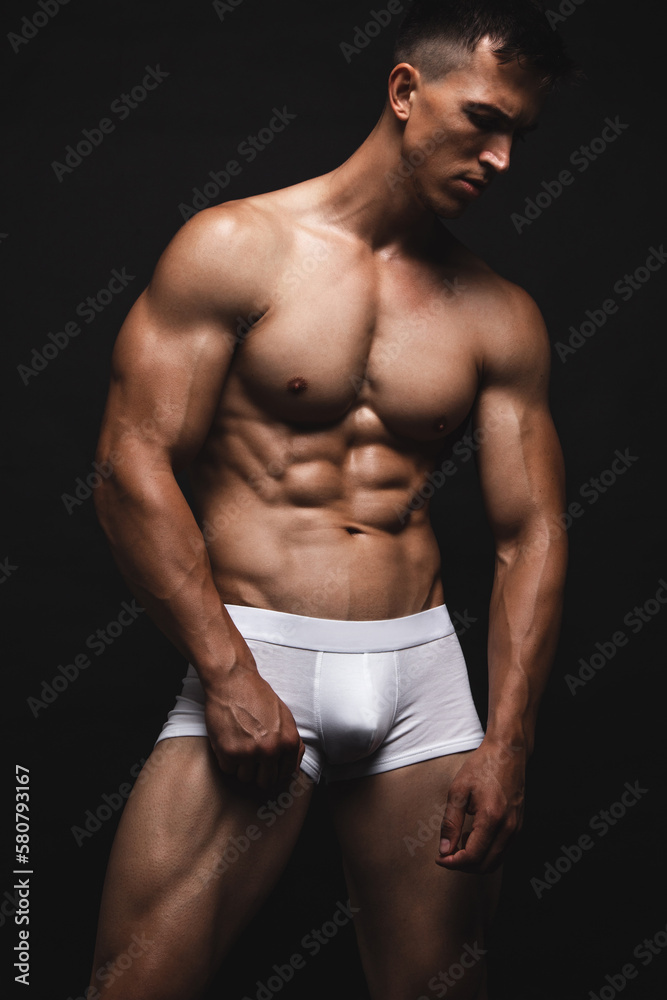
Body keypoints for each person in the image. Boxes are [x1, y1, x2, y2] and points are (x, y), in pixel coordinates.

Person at [87, 2, 574, 997]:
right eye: (482, 119)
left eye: (518, 135)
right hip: (258, 649)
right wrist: (224, 670)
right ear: (404, 92)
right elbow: (128, 466)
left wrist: (506, 742)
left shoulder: (499, 314)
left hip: (421, 682)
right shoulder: (236, 247)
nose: (500, 160)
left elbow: (532, 533)